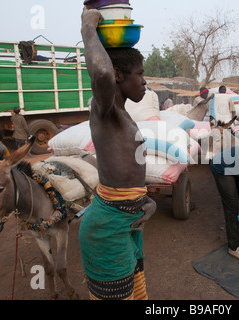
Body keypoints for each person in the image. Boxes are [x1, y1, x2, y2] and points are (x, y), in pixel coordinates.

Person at [78, 7, 157, 300]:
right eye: (140, 74)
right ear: (118, 75)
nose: (144, 81)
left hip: (127, 224)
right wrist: (88, 26)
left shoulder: (122, 115)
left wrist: (147, 202)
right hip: (105, 230)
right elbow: (100, 73)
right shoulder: (105, 111)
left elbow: (124, 177)